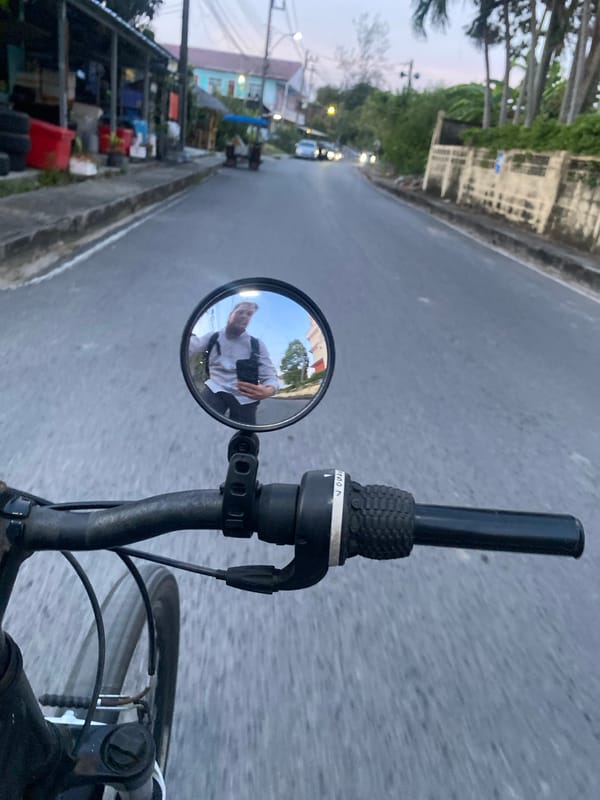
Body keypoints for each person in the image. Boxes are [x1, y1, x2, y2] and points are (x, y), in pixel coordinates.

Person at [189, 301, 279, 425]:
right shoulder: (213, 337)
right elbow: (189, 347)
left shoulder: (257, 344)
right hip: (215, 389)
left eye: (249, 314)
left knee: (245, 437)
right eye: (240, 312)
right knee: (198, 424)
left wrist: (268, 391)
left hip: (246, 397)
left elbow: (269, 377)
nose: (244, 316)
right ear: (231, 314)